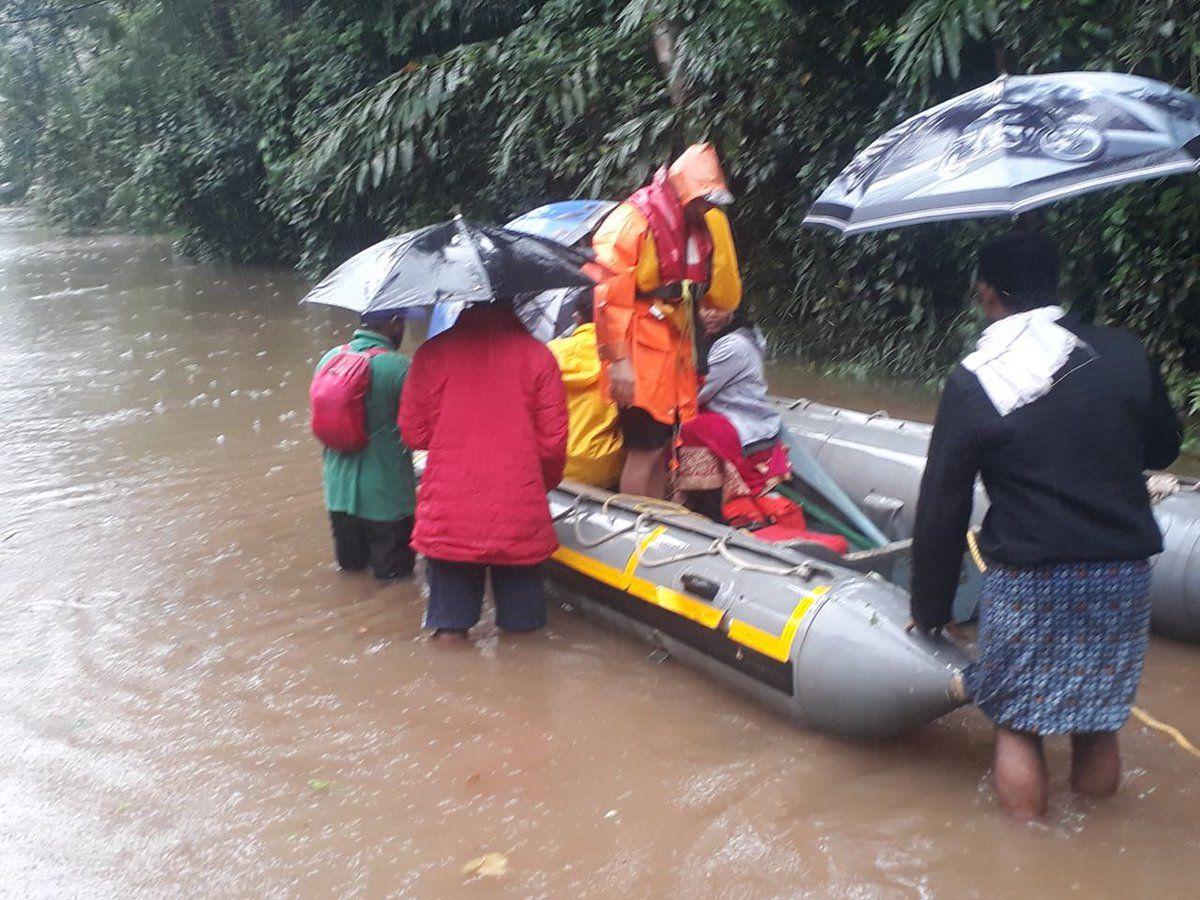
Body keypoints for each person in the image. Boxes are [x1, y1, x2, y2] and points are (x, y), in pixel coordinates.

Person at [909, 231, 1181, 820]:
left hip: (1032, 578)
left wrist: (932, 608)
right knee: (1099, 720)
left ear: (987, 293)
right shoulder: (1124, 352)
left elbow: (942, 504)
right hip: (1122, 574)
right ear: (1055, 285)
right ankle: (1095, 850)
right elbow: (1164, 444)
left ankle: (1027, 860)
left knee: (1018, 724)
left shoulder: (977, 377)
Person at [399, 301, 568, 639]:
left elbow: (414, 434)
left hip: (450, 511)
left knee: (448, 630)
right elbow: (553, 444)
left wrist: (453, 440)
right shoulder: (539, 357)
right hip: (518, 509)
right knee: (523, 636)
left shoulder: (432, 354)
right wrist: (536, 489)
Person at [591, 142, 742, 498]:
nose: (707, 207)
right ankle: (632, 532)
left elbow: (709, 288)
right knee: (643, 451)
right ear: (683, 192)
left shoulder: (695, 224)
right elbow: (607, 293)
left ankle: (657, 525)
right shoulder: (633, 219)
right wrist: (619, 362)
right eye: (703, 198)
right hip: (638, 354)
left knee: (660, 451)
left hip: (671, 352)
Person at [314, 313, 416, 580]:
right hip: (387, 499)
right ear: (394, 323)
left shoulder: (329, 359)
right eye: (402, 322)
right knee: (394, 587)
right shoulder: (399, 367)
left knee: (352, 577)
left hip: (338, 496)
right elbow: (421, 429)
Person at [547, 300, 624, 488]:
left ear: (578, 316)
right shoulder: (621, 362)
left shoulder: (552, 351)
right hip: (604, 467)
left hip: (551, 461)